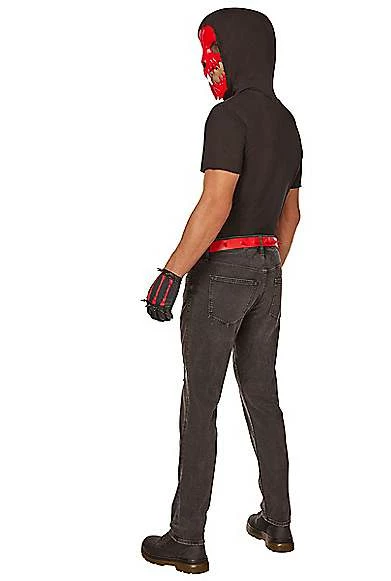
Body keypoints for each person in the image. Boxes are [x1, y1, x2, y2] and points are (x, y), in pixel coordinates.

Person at [141, 8, 303, 574]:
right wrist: (265, 269)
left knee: (200, 403)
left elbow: (216, 203)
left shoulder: (227, 116)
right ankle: (277, 522)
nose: (207, 65)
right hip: (268, 266)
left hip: (221, 268)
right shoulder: (287, 123)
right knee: (262, 395)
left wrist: (171, 273)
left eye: (213, 51)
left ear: (239, 52)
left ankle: (186, 538)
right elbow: (291, 215)